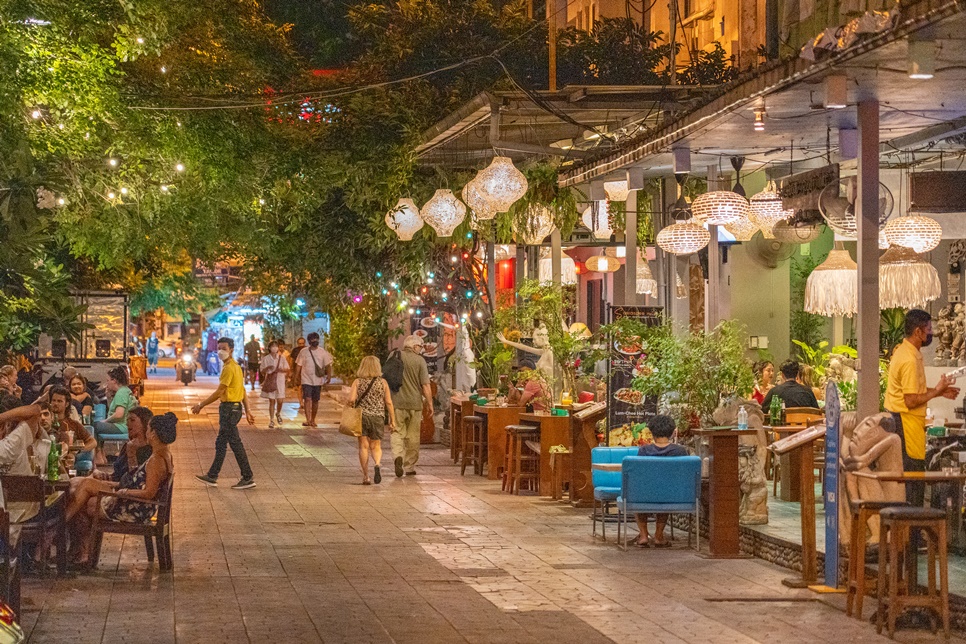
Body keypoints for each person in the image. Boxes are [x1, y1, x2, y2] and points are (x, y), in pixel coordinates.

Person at [67, 412, 176, 569]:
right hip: (134, 503)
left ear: (153, 433)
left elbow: (149, 493)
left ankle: (80, 549)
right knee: (83, 490)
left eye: (148, 429)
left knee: (82, 498)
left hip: (134, 507)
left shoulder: (156, 460)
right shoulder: (162, 454)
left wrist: (124, 492)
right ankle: (82, 552)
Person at [885, 309, 959, 508]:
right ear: (918, 332)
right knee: (913, 483)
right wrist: (936, 391)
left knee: (914, 483)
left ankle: (913, 534)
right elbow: (910, 400)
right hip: (905, 423)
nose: (931, 333)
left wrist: (940, 391)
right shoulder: (909, 359)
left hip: (908, 423)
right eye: (929, 329)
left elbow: (914, 390)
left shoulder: (907, 352)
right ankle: (912, 535)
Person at [193, 337, 257, 490]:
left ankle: (247, 476)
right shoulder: (235, 366)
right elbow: (242, 391)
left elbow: (220, 391)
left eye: (224, 348)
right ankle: (212, 475)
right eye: (219, 348)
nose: (220, 351)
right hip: (232, 409)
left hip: (229, 410)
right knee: (221, 443)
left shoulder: (230, 368)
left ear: (232, 349)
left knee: (234, 443)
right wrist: (247, 410)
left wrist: (201, 405)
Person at [633, 414, 689, 548]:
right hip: (673, 495)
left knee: (640, 493)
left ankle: (643, 535)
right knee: (665, 492)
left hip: (646, 495)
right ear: (672, 432)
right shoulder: (680, 451)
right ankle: (658, 535)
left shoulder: (644, 451)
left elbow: (640, 475)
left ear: (652, 432)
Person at [349, 356, 396, 485]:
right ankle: (377, 463)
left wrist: (351, 404)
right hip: (378, 417)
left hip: (362, 416)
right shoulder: (383, 383)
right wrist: (393, 420)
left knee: (363, 446)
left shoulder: (358, 382)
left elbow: (351, 399)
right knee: (376, 446)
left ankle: (366, 476)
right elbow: (388, 402)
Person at [391, 335, 432, 477]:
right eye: (420, 346)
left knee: (397, 431)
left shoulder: (394, 355)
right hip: (415, 403)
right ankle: (409, 466)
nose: (421, 349)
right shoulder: (420, 361)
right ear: (415, 347)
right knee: (413, 436)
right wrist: (430, 404)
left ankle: (397, 456)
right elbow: (426, 385)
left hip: (396, 402)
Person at [93, 367, 136, 465]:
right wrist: (109, 397)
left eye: (108, 380)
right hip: (123, 425)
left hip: (122, 426)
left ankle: (98, 454)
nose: (106, 384)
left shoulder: (121, 393)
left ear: (114, 380)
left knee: (95, 426)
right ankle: (101, 455)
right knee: (99, 426)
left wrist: (106, 421)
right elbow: (113, 410)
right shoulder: (125, 391)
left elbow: (119, 414)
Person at [295, 332, 332, 428]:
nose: (314, 341)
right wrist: (296, 377)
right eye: (312, 339)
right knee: (307, 399)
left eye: (316, 339)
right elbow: (298, 365)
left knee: (315, 400)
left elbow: (328, 365)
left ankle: (313, 419)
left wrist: (329, 376)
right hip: (306, 379)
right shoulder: (303, 352)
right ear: (309, 341)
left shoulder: (322, 352)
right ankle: (307, 420)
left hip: (318, 380)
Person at [47, 386, 96, 453]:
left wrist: (78, 451)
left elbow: (93, 442)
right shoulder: (45, 423)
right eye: (53, 400)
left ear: (66, 404)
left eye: (59, 401)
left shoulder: (73, 424)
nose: (55, 403)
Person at [259, 340, 290, 428]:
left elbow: (287, 369)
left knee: (280, 400)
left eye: (276, 346)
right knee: (272, 401)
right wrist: (268, 368)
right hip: (270, 381)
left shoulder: (281, 358)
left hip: (280, 381)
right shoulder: (266, 358)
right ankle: (271, 420)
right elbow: (262, 371)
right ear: (269, 348)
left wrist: (280, 370)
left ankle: (278, 413)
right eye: (273, 346)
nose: (275, 348)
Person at [290, 336, 307, 412]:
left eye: (302, 343)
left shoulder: (308, 350)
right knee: (299, 387)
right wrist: (291, 370)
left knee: (305, 387)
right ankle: (301, 402)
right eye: (300, 343)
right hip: (298, 371)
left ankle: (305, 401)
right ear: (297, 343)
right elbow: (292, 360)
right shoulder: (295, 350)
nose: (301, 345)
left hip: (306, 371)